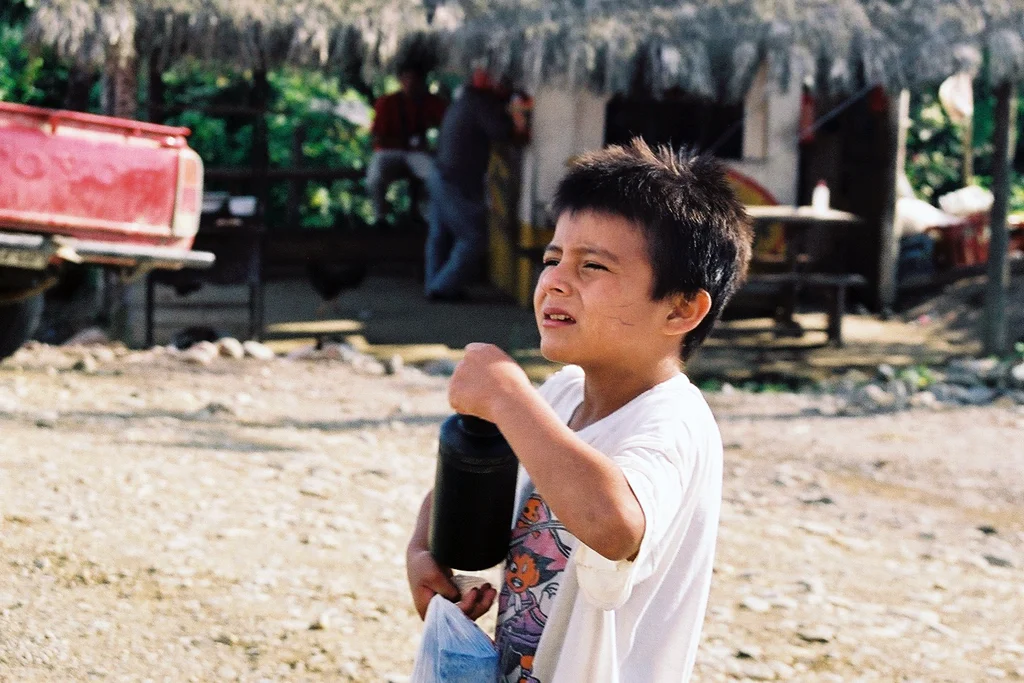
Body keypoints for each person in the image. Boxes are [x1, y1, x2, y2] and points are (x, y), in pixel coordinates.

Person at [406, 139, 753, 683]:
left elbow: (613, 525)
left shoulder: (673, 421)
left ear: (681, 307)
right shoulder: (563, 395)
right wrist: (425, 547)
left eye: (592, 265)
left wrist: (505, 396)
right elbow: (479, 468)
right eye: (552, 259)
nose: (556, 281)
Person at [423, 70, 528, 300]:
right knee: (474, 236)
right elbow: (503, 132)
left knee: (439, 235)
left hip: (441, 174)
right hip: (453, 180)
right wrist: (518, 116)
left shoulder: (463, 100)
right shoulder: (478, 102)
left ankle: (434, 285)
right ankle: (442, 287)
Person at [366, 62, 447, 226]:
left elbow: (449, 121)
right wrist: (406, 143)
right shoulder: (387, 102)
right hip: (389, 152)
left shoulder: (429, 102)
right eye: (407, 79)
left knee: (434, 176)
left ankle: (430, 218)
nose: (411, 84)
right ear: (400, 80)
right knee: (374, 178)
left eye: (415, 80)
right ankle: (379, 218)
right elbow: (377, 138)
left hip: (416, 154)